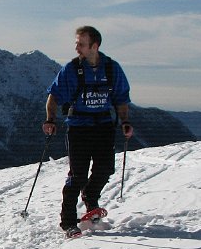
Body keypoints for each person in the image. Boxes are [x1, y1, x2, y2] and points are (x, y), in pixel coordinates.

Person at [43, 26, 134, 238]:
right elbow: (54, 96)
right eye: (76, 43)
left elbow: (121, 99)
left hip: (103, 126)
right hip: (79, 127)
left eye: (81, 44)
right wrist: (50, 119)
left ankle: (90, 197)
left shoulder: (112, 69)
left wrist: (125, 121)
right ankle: (68, 222)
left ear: (95, 46)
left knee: (105, 169)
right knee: (77, 175)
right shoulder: (71, 70)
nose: (77, 48)